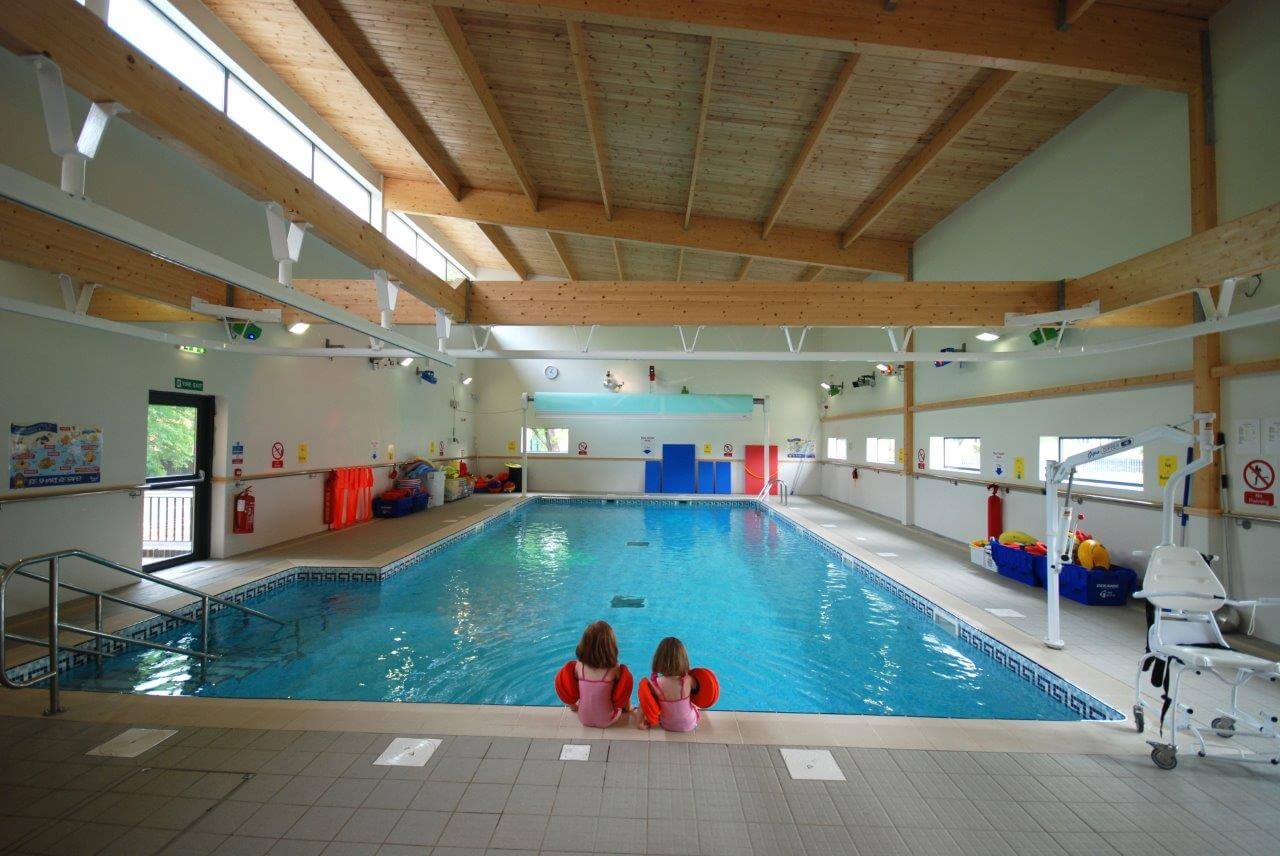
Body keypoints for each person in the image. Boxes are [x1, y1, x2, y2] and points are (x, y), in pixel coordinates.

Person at [568, 620, 631, 727]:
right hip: (607, 720)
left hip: (583, 718)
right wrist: (627, 708)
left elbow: (570, 689)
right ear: (610, 646)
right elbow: (623, 693)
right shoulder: (614, 669)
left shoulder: (579, 666)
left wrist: (573, 705)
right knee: (621, 684)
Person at [638, 636, 701, 732]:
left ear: (658, 659)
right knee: (693, 704)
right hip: (690, 724)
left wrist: (640, 723)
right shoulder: (688, 680)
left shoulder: (656, 684)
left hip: (667, 724)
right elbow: (699, 692)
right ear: (683, 660)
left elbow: (643, 703)